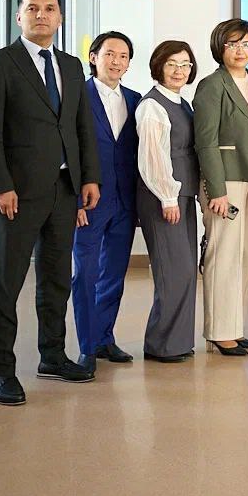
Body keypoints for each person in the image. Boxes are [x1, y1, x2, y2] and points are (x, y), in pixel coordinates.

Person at [0, 0, 101, 405]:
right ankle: (0, 372)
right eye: (32, 9)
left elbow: (81, 127)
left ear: (60, 17)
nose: (41, 15)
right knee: (7, 283)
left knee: (56, 278)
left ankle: (53, 355)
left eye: (49, 8)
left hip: (64, 191)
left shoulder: (70, 65)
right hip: (17, 194)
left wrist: (89, 178)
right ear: (19, 17)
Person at [71, 31, 141, 372]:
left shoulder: (135, 99)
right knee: (85, 274)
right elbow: (67, 151)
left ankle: (104, 338)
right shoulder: (76, 96)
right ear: (94, 57)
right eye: (110, 54)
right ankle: (86, 346)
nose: (116, 61)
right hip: (89, 201)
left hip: (124, 201)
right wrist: (73, 200)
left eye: (123, 56)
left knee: (113, 273)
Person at [194, 19, 248, 356]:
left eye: (246, 44)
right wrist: (216, 190)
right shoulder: (211, 85)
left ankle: (235, 327)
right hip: (225, 180)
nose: (240, 50)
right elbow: (205, 142)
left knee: (244, 254)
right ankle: (219, 331)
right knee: (223, 255)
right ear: (219, 47)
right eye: (233, 44)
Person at [137, 41, 201, 363]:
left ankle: (178, 341)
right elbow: (153, 157)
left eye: (185, 64)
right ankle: (160, 345)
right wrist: (167, 196)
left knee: (186, 269)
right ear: (159, 66)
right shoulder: (152, 106)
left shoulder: (183, 103)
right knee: (173, 271)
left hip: (182, 196)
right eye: (172, 64)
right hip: (163, 198)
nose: (179, 71)